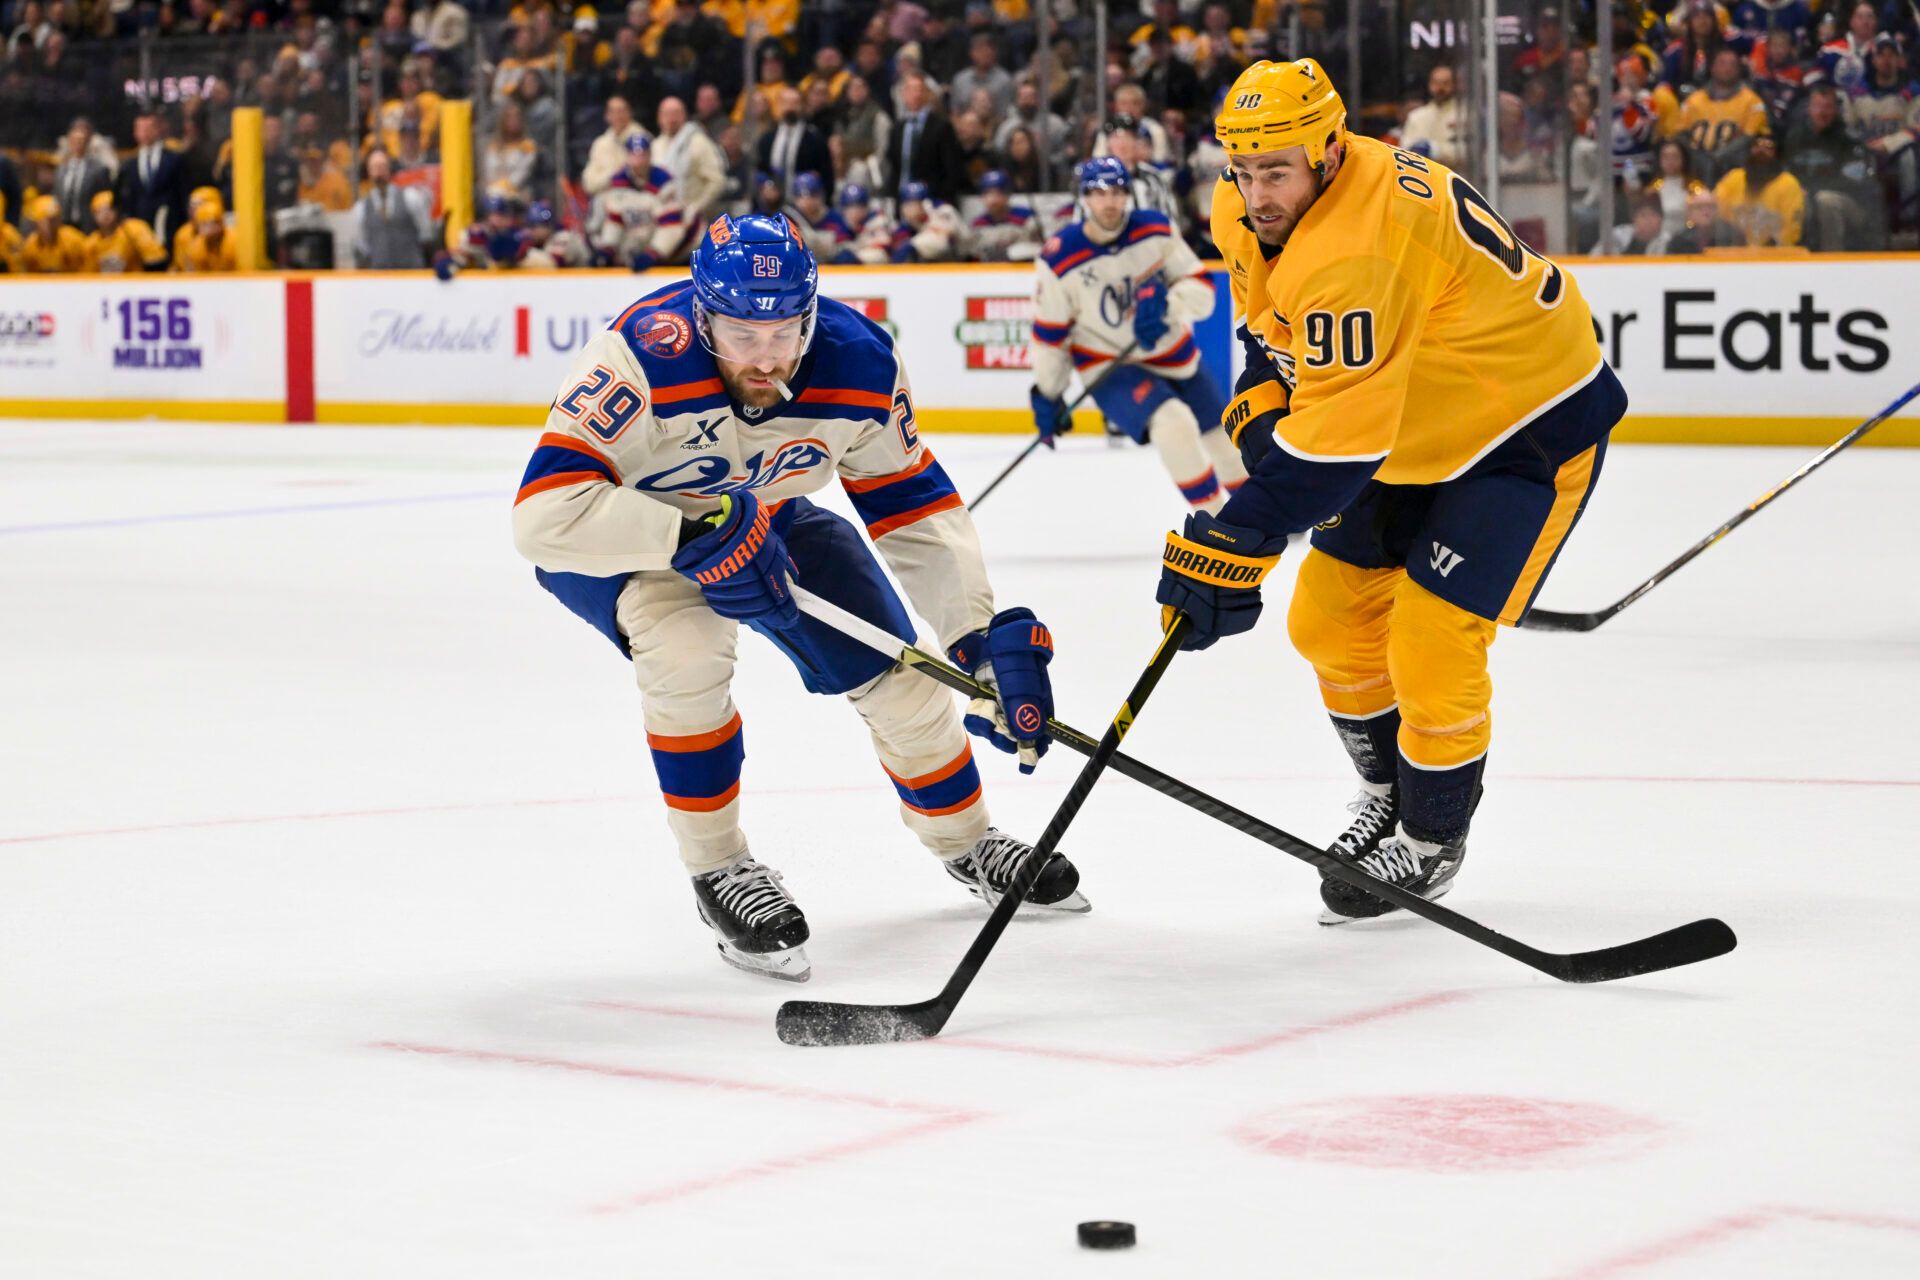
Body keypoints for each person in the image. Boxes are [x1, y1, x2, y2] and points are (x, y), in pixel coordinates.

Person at [509, 213, 1083, 981]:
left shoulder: (860, 361)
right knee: (686, 655)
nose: (767, 354)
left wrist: (975, 640)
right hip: (630, 537)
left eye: (784, 330)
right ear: (703, 312)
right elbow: (546, 513)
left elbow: (911, 505)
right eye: (743, 333)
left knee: (902, 677)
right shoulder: (642, 352)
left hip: (769, 518)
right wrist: (690, 540)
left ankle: (968, 841)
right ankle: (718, 869)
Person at [1169, 59, 1626, 924]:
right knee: (1328, 622)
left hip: (1520, 431)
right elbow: (1272, 335)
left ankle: (1432, 832)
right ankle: (1391, 790)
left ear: (1329, 152)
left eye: (1278, 171)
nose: (1258, 191)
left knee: (1429, 639)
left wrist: (1239, 537)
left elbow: (1336, 449)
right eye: (1243, 170)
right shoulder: (1249, 207)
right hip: (1408, 422)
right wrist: (1262, 416)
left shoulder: (1364, 245)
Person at [1031, 158, 1244, 512]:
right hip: (1110, 366)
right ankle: (1217, 518)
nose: (1109, 202)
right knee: (1172, 422)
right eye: (1099, 194)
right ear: (1084, 199)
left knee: (1221, 437)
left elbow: (1201, 288)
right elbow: (1051, 334)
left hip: (1175, 353)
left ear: (1128, 194)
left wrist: (1167, 307)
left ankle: (1255, 512)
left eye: (1117, 191)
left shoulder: (1156, 230)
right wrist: (1048, 392)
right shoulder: (1059, 258)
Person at [887, 71, 967, 204]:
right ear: (903, 94)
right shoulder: (897, 129)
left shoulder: (942, 127)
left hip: (933, 201)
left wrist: (943, 201)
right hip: (903, 201)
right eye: (910, 90)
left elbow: (952, 168)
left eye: (919, 89)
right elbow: (895, 167)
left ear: (927, 94)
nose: (916, 94)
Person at [654, 96, 730, 235]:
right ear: (659, 118)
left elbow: (717, 180)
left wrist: (696, 207)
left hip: (692, 222)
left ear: (684, 116)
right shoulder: (655, 146)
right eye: (667, 114)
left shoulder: (699, 143)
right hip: (661, 220)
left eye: (676, 114)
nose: (671, 119)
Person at [1713, 131, 1805, 244]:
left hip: (1775, 256)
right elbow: (1716, 212)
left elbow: (1792, 230)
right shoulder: (1734, 178)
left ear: (1777, 154)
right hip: (1732, 253)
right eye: (1756, 146)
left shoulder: (1788, 184)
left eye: (1768, 147)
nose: (1761, 150)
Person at [351, 149, 433, 269]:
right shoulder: (361, 207)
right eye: (375, 167)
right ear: (368, 171)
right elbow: (362, 245)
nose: (379, 172)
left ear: (390, 169)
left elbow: (426, 234)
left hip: (411, 273)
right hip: (380, 276)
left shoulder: (411, 197)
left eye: (382, 166)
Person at [754, 85, 832, 199]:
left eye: (795, 103)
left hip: (804, 203)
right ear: (779, 106)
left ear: (802, 106)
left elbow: (826, 176)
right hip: (773, 205)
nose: (790, 107)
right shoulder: (767, 140)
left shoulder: (815, 140)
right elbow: (761, 171)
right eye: (786, 102)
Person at [1401, 65, 1468, 170]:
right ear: (1429, 85)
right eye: (1435, 83)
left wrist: (1438, 151)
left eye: (1445, 83)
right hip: (1422, 178)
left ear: (1454, 85)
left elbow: (1471, 153)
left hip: (1454, 177)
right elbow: (1403, 149)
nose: (1440, 88)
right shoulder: (1416, 116)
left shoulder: (1466, 114)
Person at [83, 190, 167, 272]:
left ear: (117, 210)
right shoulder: (91, 243)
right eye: (99, 211)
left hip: (135, 283)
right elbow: (87, 276)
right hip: (105, 285)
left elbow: (157, 260)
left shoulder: (133, 229)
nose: (105, 215)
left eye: (109, 209)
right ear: (93, 215)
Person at [968, 169, 1040, 262]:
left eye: (997, 193)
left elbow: (1037, 249)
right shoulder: (978, 223)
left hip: (1022, 270)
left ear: (1007, 194)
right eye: (987, 194)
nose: (992, 199)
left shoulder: (1026, 217)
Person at [583, 95, 646, 196]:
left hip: (634, 198)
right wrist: (613, 176)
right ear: (607, 116)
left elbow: (639, 178)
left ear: (629, 113)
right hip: (606, 199)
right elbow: (589, 183)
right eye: (613, 112)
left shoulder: (641, 139)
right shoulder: (600, 144)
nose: (618, 116)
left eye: (621, 111)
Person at [888, 179, 964, 261]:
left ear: (924, 204)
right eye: (905, 204)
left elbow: (943, 242)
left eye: (912, 204)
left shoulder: (943, 211)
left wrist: (912, 246)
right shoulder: (908, 224)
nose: (907, 209)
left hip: (961, 265)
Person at [18, 194, 90, 272]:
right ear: (36, 222)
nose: (51, 225)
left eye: (54, 219)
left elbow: (88, 270)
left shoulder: (74, 240)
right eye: (46, 220)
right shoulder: (30, 246)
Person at [173, 189, 238, 272]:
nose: (193, 211)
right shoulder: (184, 235)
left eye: (200, 205)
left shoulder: (235, 239)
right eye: (192, 206)